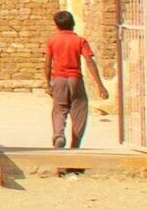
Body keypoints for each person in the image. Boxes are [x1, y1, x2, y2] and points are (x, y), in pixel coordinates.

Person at [44, 10, 110, 149]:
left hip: (59, 79)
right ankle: (75, 146)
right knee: (80, 111)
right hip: (75, 79)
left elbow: (48, 64)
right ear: (73, 24)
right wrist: (100, 85)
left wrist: (48, 83)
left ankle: (59, 135)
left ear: (57, 25)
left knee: (59, 110)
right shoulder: (80, 40)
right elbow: (89, 61)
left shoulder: (52, 41)